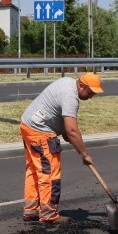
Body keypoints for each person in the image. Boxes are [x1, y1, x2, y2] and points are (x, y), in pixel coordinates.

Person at [20, 72, 103, 224]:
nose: (91, 96)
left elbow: (64, 125)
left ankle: (31, 209)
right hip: (40, 132)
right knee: (50, 173)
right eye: (89, 92)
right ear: (81, 85)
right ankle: (49, 214)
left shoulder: (67, 82)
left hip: (27, 125)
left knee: (34, 169)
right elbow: (72, 131)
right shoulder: (71, 97)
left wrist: (67, 135)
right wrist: (85, 154)